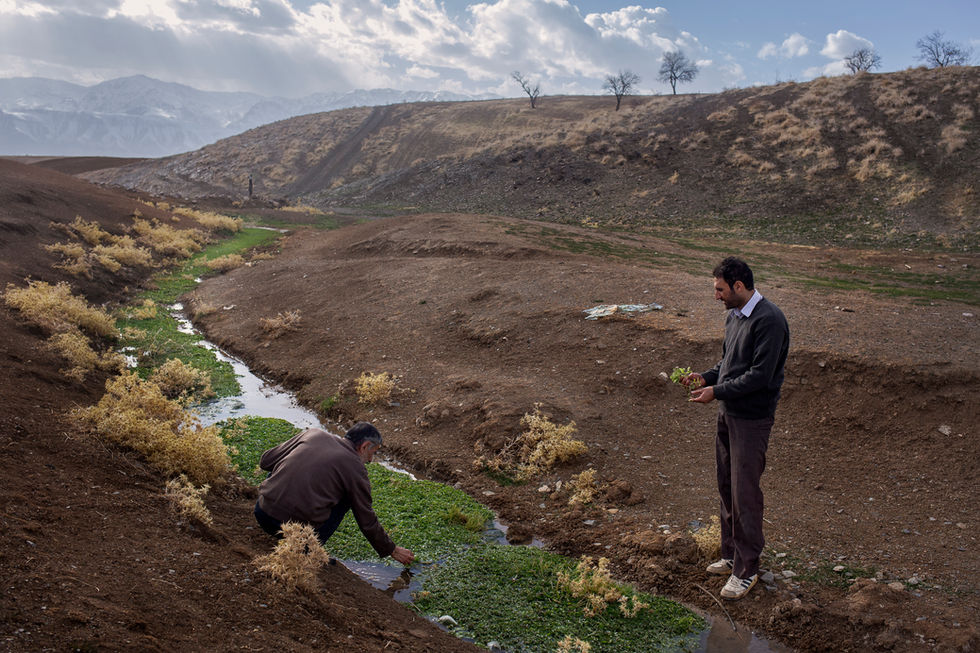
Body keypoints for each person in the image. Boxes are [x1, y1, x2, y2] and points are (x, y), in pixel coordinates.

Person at [682, 257, 789, 600]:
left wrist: (716, 391)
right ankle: (730, 555)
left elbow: (760, 376)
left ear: (738, 286)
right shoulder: (735, 316)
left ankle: (747, 570)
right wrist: (706, 377)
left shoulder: (770, 321)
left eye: (720, 289)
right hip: (729, 413)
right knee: (727, 485)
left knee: (745, 494)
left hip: (752, 418)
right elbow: (728, 363)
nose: (717, 297)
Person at [253, 422, 414, 565]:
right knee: (347, 499)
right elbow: (366, 519)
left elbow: (266, 461)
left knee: (285, 465)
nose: (371, 460)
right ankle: (310, 548)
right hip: (297, 535)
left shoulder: (313, 433)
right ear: (364, 446)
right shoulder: (356, 469)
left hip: (262, 514)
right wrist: (391, 549)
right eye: (374, 452)